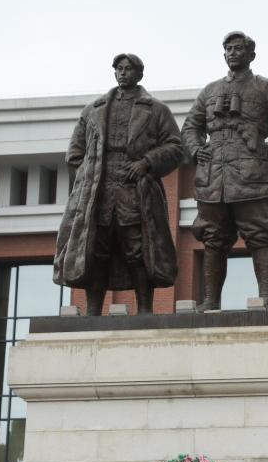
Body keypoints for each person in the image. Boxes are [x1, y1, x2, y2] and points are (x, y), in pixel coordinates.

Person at [182, 31, 268, 311]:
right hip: (213, 178)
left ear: (251, 55)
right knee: (213, 238)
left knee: (260, 235)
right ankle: (210, 301)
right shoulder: (210, 91)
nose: (233, 53)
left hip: (252, 175)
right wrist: (195, 149)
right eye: (228, 49)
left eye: (238, 48)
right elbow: (190, 126)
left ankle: (266, 300)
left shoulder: (266, 88)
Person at [54, 53, 183, 315]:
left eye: (129, 68)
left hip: (135, 191)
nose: (123, 73)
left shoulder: (156, 109)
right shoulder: (93, 110)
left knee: (138, 249)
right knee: (96, 249)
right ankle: (92, 312)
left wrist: (146, 163)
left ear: (140, 74)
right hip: (99, 193)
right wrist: (90, 176)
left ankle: (145, 310)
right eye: (119, 68)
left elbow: (176, 147)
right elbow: (74, 154)